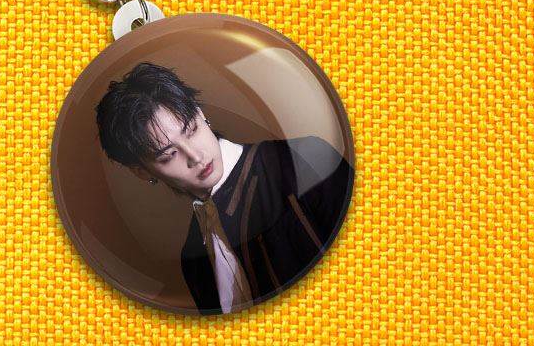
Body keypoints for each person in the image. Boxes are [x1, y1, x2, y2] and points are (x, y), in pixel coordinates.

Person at [95, 61, 354, 315]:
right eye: (169, 155)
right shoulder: (192, 258)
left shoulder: (302, 159)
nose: (196, 156)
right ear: (141, 172)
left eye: (191, 129)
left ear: (200, 114)